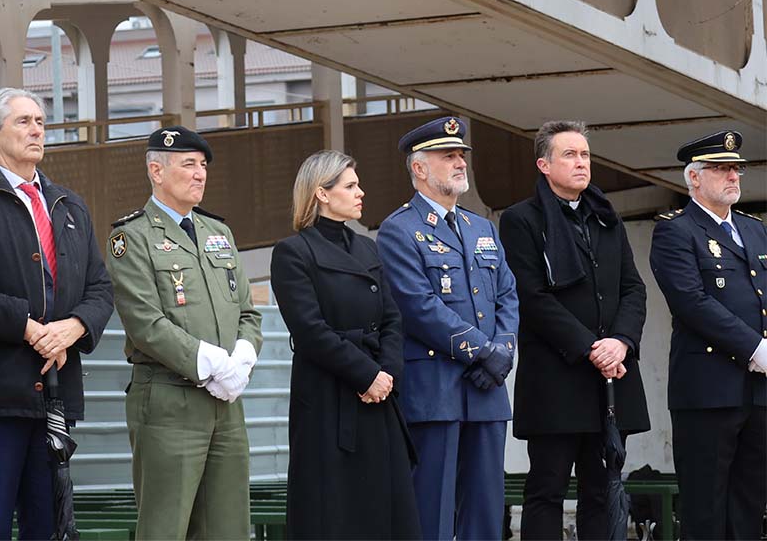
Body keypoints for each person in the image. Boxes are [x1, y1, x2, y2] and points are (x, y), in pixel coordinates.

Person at [0, 87, 113, 541]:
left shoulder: (69, 205)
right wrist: (30, 328)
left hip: (54, 395)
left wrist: (74, 328)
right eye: (23, 122)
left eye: (40, 122)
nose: (36, 130)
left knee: (50, 527)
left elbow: (100, 287)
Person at [106, 126, 263, 540]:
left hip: (226, 404)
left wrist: (242, 359)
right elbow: (146, 324)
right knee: (166, 528)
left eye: (204, 165)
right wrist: (214, 366)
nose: (200, 174)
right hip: (169, 402)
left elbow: (247, 311)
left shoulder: (219, 234)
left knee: (228, 528)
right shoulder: (132, 236)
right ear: (157, 171)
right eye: (189, 164)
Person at [498, 120, 650, 540]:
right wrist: (590, 347)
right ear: (544, 164)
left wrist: (620, 342)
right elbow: (532, 298)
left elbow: (632, 289)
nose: (581, 163)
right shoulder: (521, 220)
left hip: (609, 380)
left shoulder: (604, 217)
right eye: (570, 154)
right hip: (556, 379)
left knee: (600, 490)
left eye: (585, 154)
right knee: (547, 488)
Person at [376, 116, 519, 541]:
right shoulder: (399, 230)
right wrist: (483, 351)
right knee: (432, 509)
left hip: (487, 389)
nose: (460, 163)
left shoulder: (481, 228)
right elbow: (418, 306)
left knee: (486, 507)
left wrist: (503, 351)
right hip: (435, 390)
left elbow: (507, 295)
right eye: (448, 156)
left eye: (461, 156)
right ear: (419, 168)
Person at [270, 150, 420, 540]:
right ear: (322, 193)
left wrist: (386, 374)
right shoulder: (293, 252)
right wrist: (366, 374)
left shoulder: (368, 248)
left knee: (387, 508)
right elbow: (309, 330)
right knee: (332, 511)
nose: (360, 193)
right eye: (350, 185)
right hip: (328, 400)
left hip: (379, 398)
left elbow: (392, 318)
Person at [649, 130, 767, 540]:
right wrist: (756, 347)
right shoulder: (675, 232)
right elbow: (692, 303)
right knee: (706, 508)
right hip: (708, 391)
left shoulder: (754, 230)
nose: (732, 176)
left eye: (735, 168)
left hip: (757, 390)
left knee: (749, 504)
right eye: (720, 169)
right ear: (694, 178)